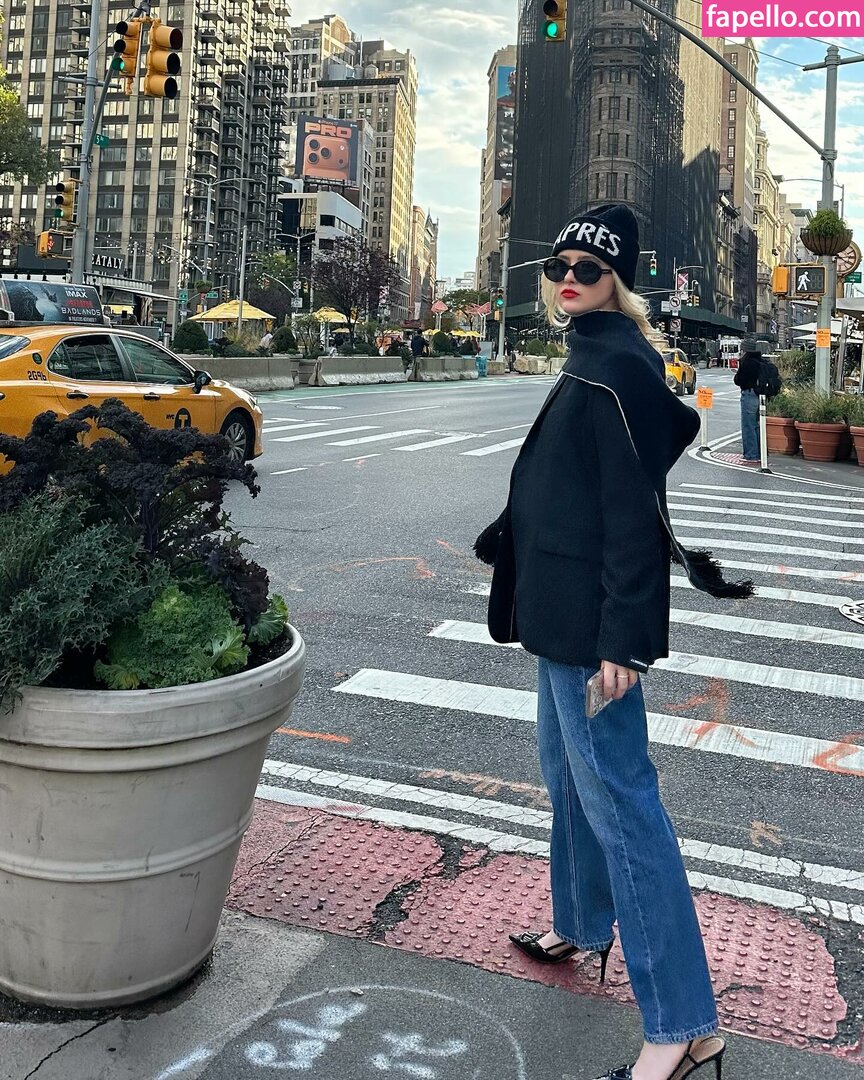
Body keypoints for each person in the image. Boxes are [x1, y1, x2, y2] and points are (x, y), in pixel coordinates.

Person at [473, 204, 752, 1080]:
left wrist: (625, 643)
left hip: (592, 625)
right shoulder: (591, 353)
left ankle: (684, 1025)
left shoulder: (619, 364)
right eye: (558, 266)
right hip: (558, 611)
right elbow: (573, 482)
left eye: (587, 271)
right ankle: (583, 923)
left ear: (618, 282)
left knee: (625, 810)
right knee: (566, 775)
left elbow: (634, 513)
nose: (567, 279)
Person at [733, 345, 763, 464]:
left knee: (748, 425)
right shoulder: (760, 361)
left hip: (749, 394)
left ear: (745, 350)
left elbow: (739, 380)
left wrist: (737, 374)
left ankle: (751, 454)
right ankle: (759, 452)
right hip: (760, 395)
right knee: (756, 425)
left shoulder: (746, 363)